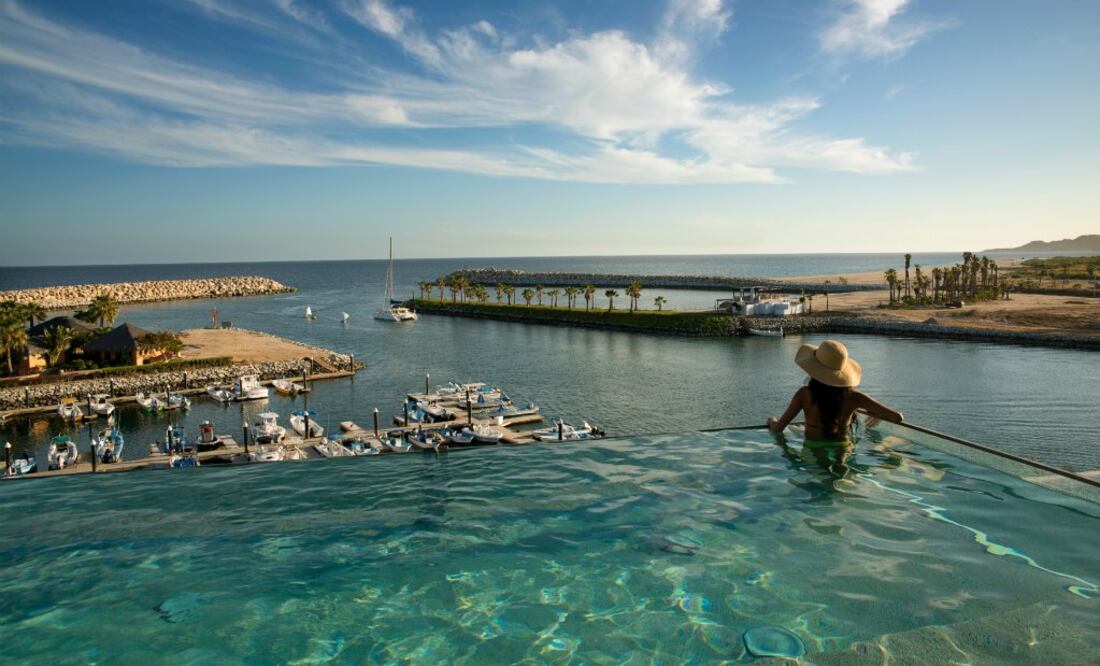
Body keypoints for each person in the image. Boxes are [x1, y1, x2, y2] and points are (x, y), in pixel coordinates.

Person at [768, 340, 903, 445]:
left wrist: (772, 421)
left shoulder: (804, 394)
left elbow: (779, 428)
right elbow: (897, 417)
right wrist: (877, 413)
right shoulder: (855, 397)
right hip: (843, 449)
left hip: (813, 450)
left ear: (815, 368)